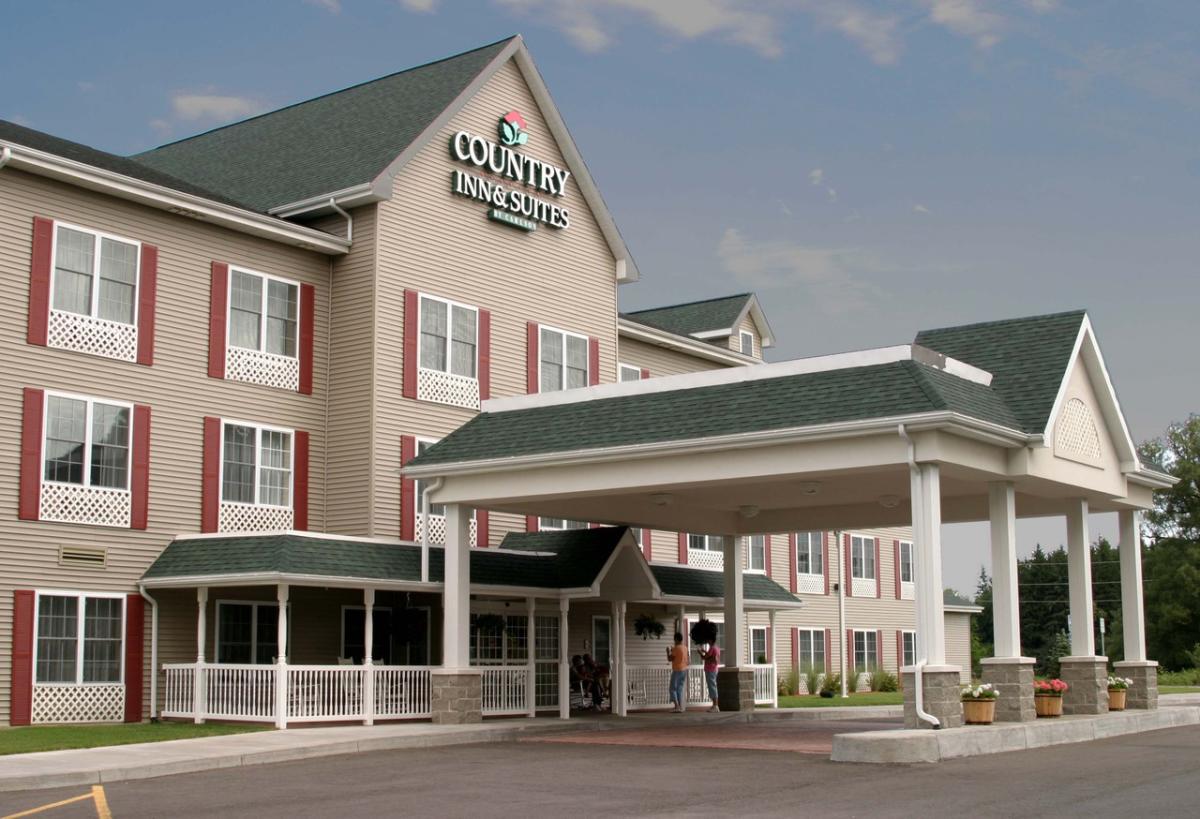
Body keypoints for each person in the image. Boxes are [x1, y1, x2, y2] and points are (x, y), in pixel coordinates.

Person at [667, 632, 688, 713]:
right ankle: (680, 707)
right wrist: (673, 650)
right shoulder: (685, 648)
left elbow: (670, 659)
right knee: (679, 689)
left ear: (676, 639)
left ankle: (677, 706)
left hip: (677, 670)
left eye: (674, 639)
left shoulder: (676, 648)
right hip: (684, 670)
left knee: (672, 688)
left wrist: (668, 652)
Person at [698, 640, 721, 712]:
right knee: (713, 686)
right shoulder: (716, 648)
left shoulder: (712, 648)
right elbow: (711, 656)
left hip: (710, 669)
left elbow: (705, 657)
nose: (707, 641)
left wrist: (700, 653)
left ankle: (715, 705)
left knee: (712, 687)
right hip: (714, 669)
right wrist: (704, 651)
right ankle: (714, 705)